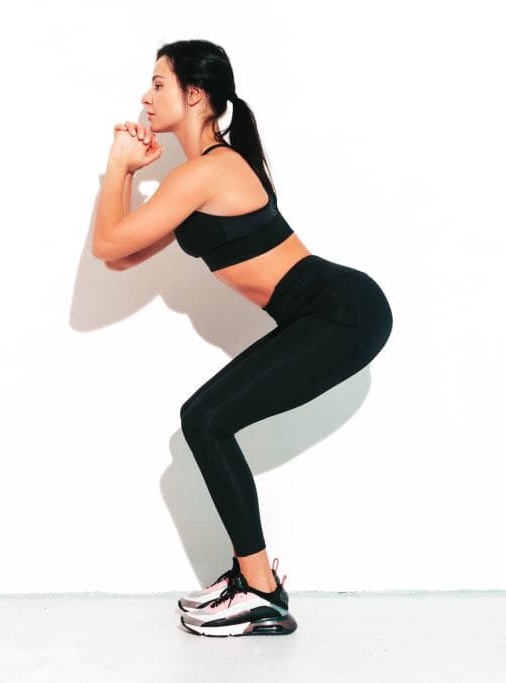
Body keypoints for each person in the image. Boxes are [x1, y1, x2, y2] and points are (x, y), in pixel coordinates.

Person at [92, 39, 393, 638]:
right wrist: (128, 175)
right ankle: (251, 581)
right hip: (330, 312)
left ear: (194, 95)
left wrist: (122, 167)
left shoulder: (212, 171)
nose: (146, 96)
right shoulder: (202, 175)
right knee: (206, 418)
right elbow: (122, 259)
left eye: (158, 84)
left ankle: (260, 591)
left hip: (341, 311)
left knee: (204, 419)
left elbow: (107, 243)